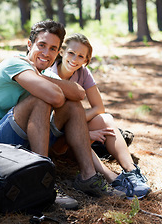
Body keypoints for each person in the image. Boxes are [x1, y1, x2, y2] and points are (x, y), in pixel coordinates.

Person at [0, 20, 125, 208]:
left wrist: (40, 76)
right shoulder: (14, 64)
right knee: (40, 99)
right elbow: (55, 97)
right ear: (29, 45)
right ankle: (42, 181)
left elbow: (79, 93)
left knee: (73, 106)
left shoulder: (42, 74)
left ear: (58, 53)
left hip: (14, 143)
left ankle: (88, 177)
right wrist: (40, 77)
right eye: (41, 45)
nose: (46, 53)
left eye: (53, 48)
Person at [45, 33, 151, 199]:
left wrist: (79, 126)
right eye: (71, 53)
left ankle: (132, 173)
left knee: (106, 119)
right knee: (81, 127)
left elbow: (99, 107)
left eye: (81, 56)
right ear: (61, 52)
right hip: (53, 138)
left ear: (86, 60)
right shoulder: (49, 72)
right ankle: (112, 178)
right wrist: (82, 132)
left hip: (70, 130)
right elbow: (50, 121)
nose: (75, 59)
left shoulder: (83, 73)